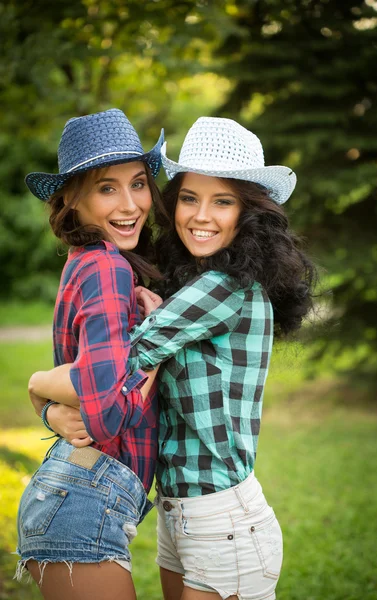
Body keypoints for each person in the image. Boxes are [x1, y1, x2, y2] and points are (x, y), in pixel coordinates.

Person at [38, 116, 317, 600]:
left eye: (222, 201)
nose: (200, 215)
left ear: (248, 213)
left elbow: (113, 373)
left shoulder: (224, 286)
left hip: (222, 518)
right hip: (180, 512)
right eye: (189, 198)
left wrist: (38, 387)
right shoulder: (191, 283)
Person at [16, 108, 164, 600]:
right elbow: (107, 416)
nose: (130, 203)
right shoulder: (107, 270)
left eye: (138, 183)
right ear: (72, 201)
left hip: (75, 491)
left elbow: (80, 384)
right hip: (83, 499)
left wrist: (44, 398)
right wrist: (160, 344)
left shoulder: (92, 263)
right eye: (107, 188)